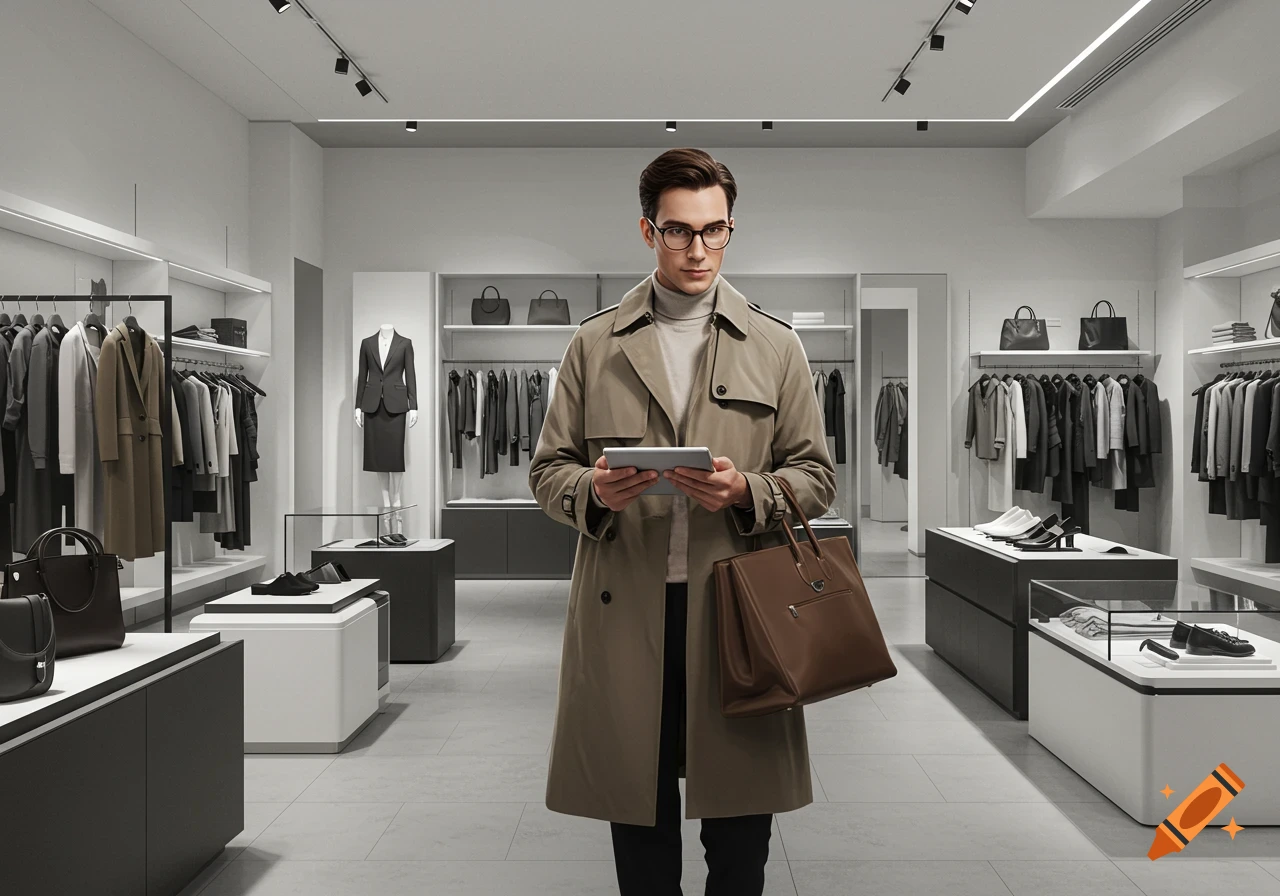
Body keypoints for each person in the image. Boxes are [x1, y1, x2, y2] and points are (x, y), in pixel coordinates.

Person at [529, 147, 836, 895]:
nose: (698, 250)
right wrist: (596, 492)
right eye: (678, 231)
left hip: (738, 611)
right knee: (638, 823)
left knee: (740, 834)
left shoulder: (776, 344)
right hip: (624, 608)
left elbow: (817, 477)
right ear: (647, 231)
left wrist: (747, 492)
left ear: (730, 229)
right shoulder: (594, 343)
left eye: (714, 230)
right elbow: (547, 470)